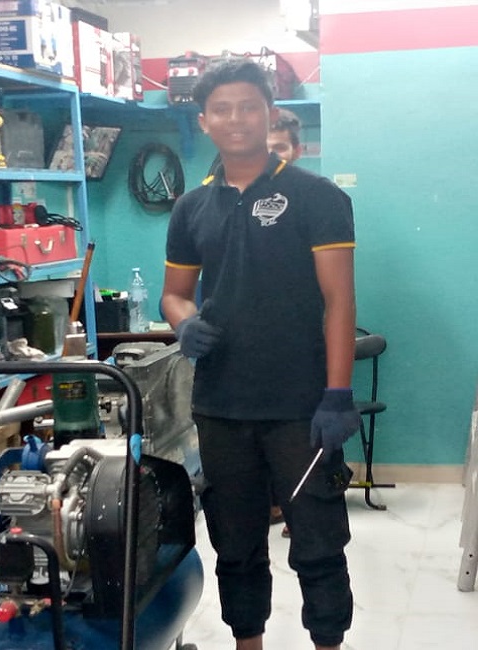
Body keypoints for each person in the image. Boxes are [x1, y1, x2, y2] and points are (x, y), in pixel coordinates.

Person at [161, 59, 358, 650]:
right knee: (236, 545)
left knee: (319, 543)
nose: (236, 119)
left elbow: (340, 301)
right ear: (204, 121)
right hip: (221, 405)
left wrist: (338, 394)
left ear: (269, 114)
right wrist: (184, 323)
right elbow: (174, 293)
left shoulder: (316, 196)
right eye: (221, 109)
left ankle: (329, 643)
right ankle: (249, 644)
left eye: (248, 106)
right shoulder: (190, 208)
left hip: (301, 406)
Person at [266, 106, 303, 536]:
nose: (272, 156)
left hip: (298, 344)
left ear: (296, 151)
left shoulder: (312, 200)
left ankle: (297, 512)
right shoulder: (227, 198)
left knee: (295, 438)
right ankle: (272, 504)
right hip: (251, 346)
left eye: (280, 148)